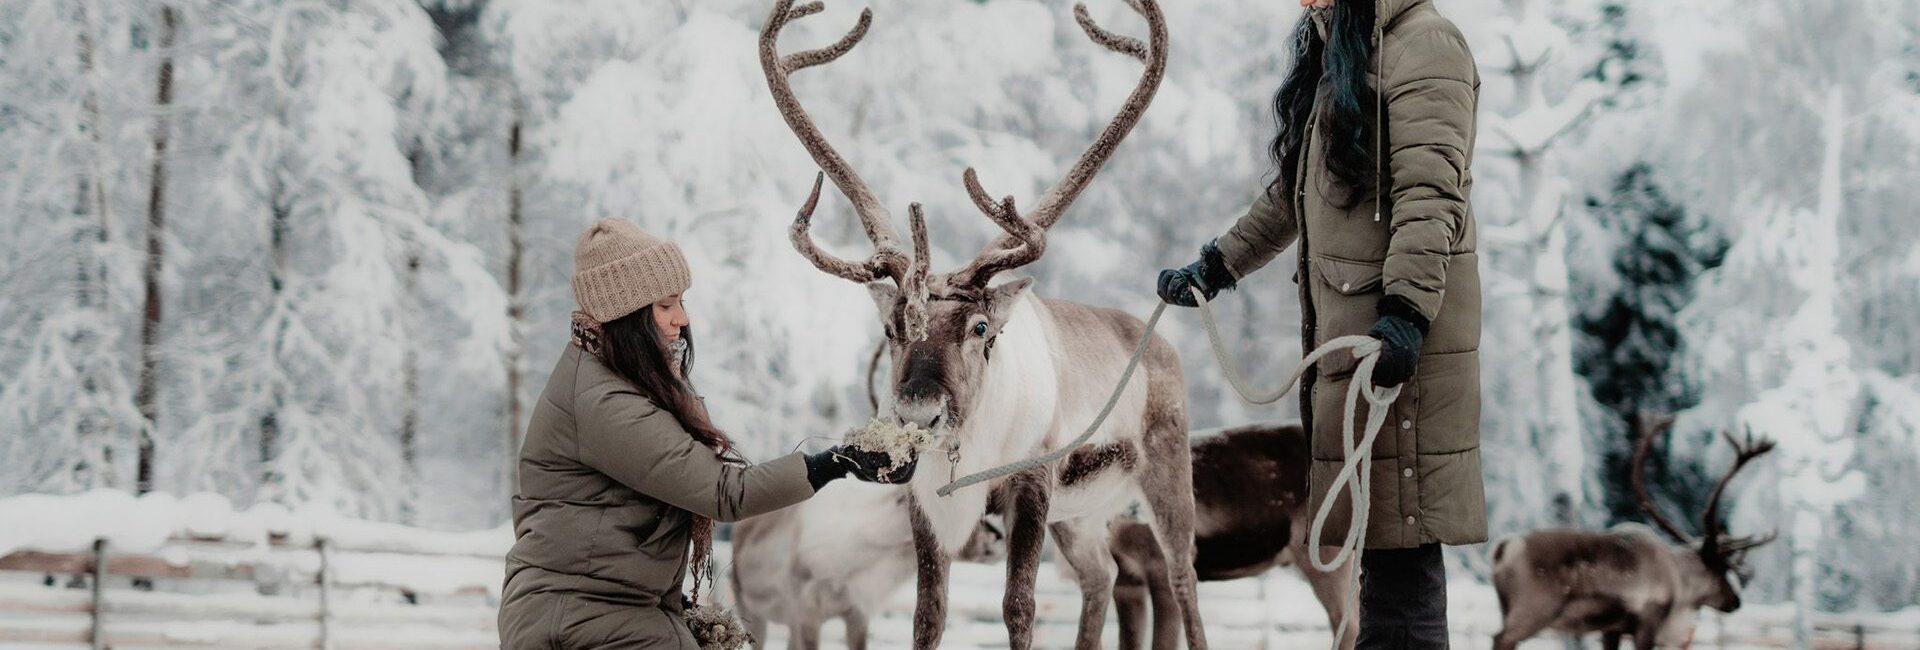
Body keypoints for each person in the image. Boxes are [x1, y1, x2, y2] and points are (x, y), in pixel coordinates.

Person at [1158, 0, 1484, 647]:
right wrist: (1218, 265)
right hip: (1357, 344)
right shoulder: (1343, 49)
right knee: (1379, 549)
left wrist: (1406, 314)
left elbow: (1430, 195)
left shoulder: (1426, 44)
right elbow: (1295, 193)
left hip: (1398, 351)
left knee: (1404, 553)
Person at [499, 217, 912, 649]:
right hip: (575, 619)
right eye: (665, 306)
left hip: (605, 609)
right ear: (627, 316)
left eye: (680, 301)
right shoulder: (604, 402)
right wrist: (835, 462)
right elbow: (723, 491)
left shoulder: (619, 377)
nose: (682, 318)